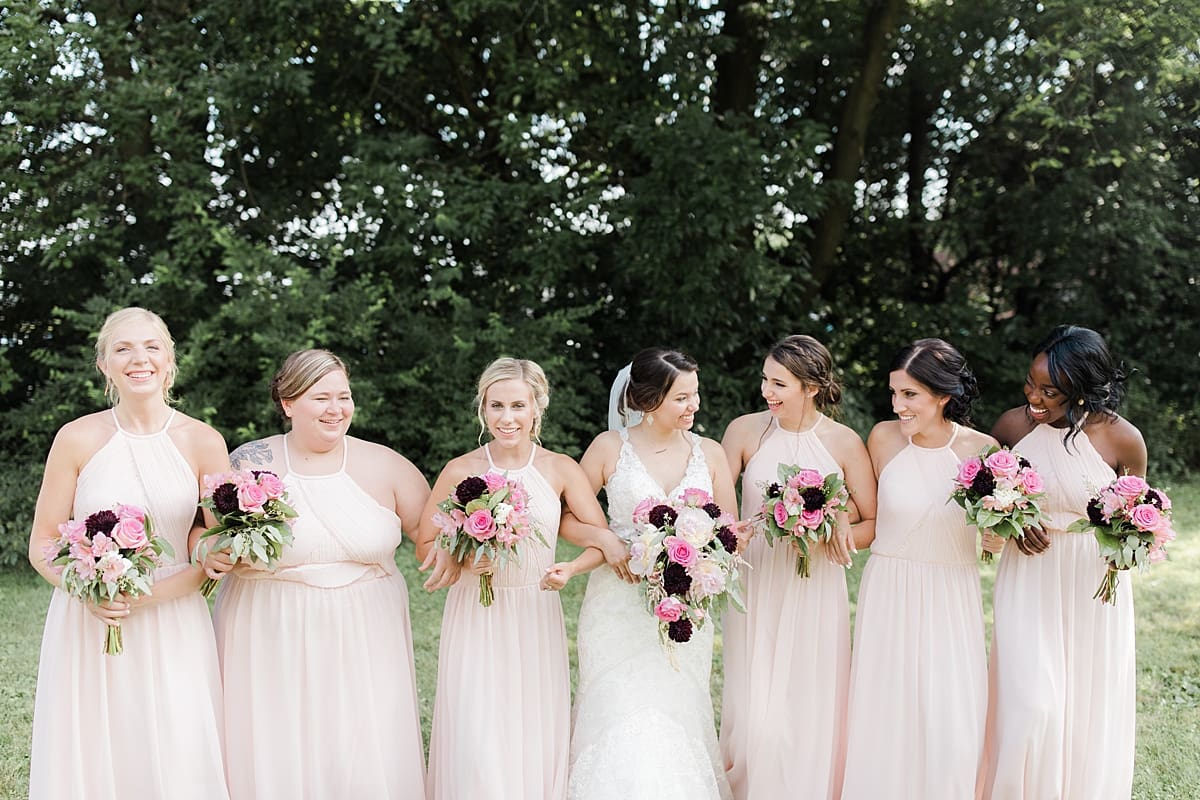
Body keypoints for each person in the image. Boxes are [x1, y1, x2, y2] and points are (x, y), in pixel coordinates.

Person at [26, 306, 230, 799]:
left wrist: (166, 586)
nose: (139, 359)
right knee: (96, 747)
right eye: (123, 348)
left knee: (177, 743)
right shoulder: (76, 438)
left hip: (176, 616)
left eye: (151, 347)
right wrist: (91, 592)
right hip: (93, 618)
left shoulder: (203, 441)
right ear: (105, 365)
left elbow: (212, 545)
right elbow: (42, 546)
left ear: (169, 359)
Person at [212, 349, 428, 799]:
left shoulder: (387, 464)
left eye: (344, 396)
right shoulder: (249, 461)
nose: (336, 409)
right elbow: (209, 536)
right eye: (321, 397)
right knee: (276, 735)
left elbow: (432, 539)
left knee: (361, 740)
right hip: (269, 625)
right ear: (288, 403)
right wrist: (213, 552)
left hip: (367, 629)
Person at [417, 357, 626, 800]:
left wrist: (570, 568)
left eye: (517, 405)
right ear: (482, 409)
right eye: (496, 406)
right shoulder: (460, 469)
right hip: (475, 613)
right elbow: (423, 544)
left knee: (530, 722)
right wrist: (463, 558)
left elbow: (599, 538)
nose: (506, 418)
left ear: (537, 408)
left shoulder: (560, 468)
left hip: (535, 610)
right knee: (476, 726)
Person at [977, 325, 1144, 800]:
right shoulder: (1012, 428)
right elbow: (983, 499)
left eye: (1049, 391)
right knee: (1031, 703)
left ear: (1082, 388)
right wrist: (1011, 521)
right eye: (1030, 383)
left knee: (1086, 703)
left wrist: (1130, 544)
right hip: (1028, 576)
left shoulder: (1122, 440)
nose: (1034, 397)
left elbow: (1130, 520)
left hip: (1091, 584)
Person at [563, 347, 737, 800]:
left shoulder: (711, 454)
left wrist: (700, 557)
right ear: (646, 399)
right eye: (682, 398)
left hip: (684, 607)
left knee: (678, 706)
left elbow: (730, 533)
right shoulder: (608, 448)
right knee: (616, 703)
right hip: (616, 604)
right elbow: (566, 517)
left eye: (695, 395)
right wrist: (604, 539)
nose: (694, 406)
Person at [718, 334, 876, 799]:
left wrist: (834, 535)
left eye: (779, 384)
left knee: (808, 700)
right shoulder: (744, 432)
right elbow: (716, 510)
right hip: (758, 581)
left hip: (816, 588)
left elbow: (872, 522)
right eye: (765, 380)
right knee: (753, 713)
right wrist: (731, 533)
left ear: (811, 386)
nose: (767, 392)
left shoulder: (843, 442)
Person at [841, 338, 1000, 799]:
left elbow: (998, 528)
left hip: (951, 592)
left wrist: (996, 537)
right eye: (894, 393)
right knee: (886, 705)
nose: (898, 406)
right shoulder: (882, 438)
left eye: (910, 394)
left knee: (948, 709)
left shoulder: (983, 449)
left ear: (943, 394)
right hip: (888, 588)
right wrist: (812, 514)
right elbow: (862, 512)